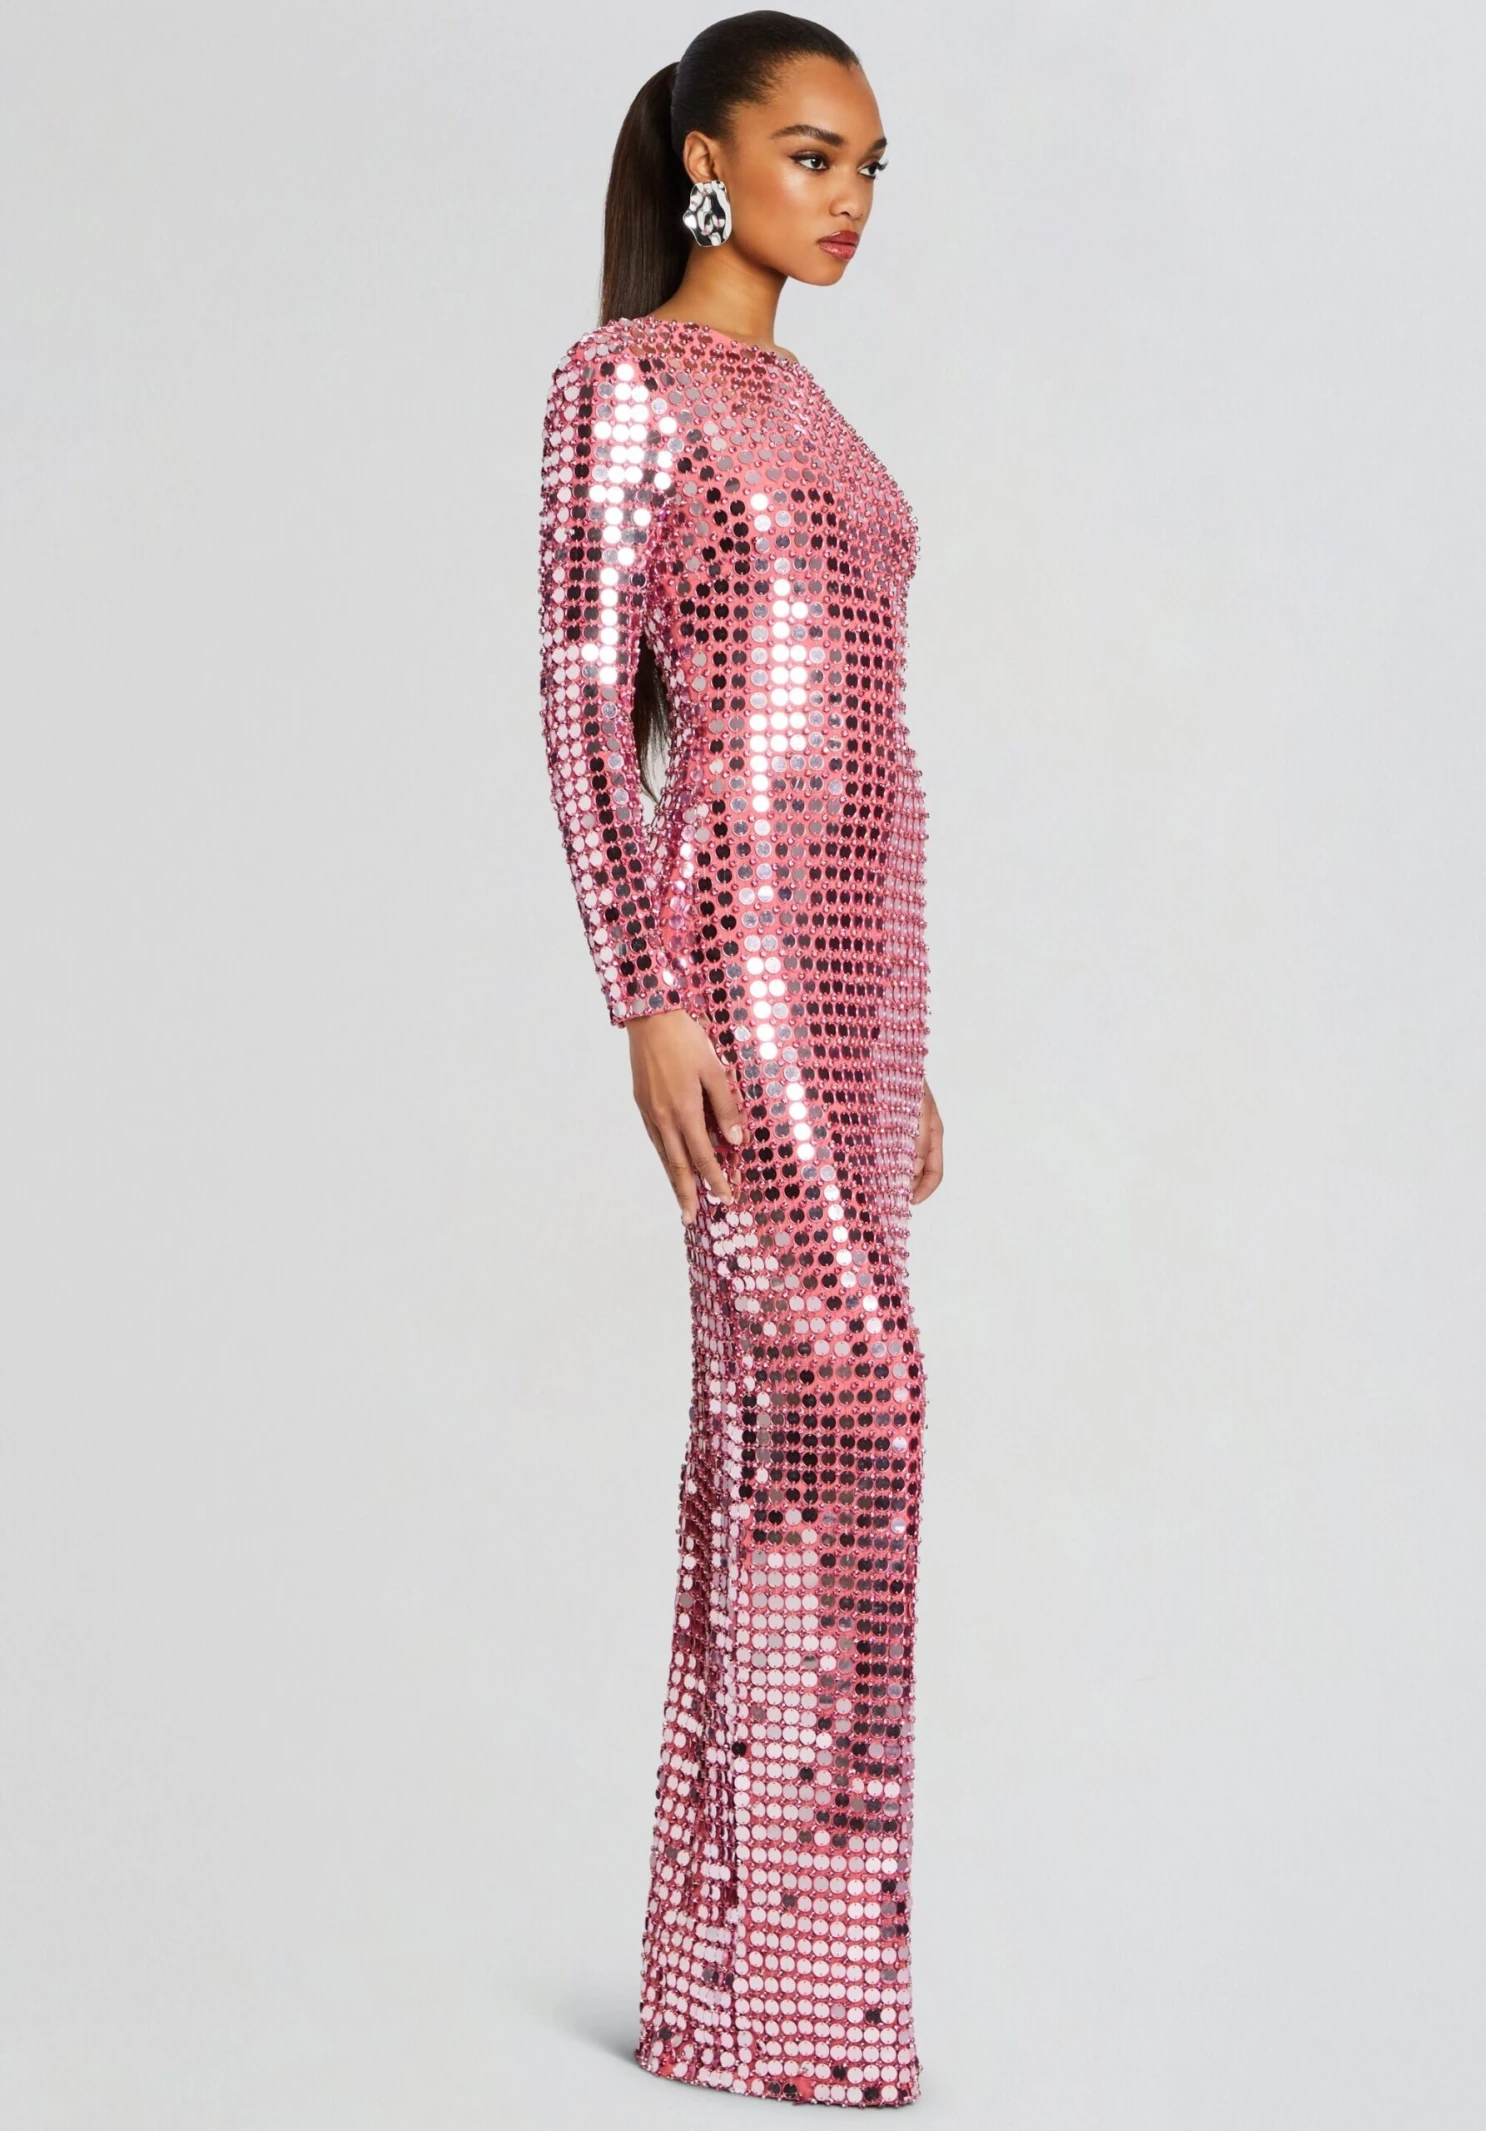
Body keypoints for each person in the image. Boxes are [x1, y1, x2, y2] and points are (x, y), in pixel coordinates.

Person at [535, 10, 943, 2107]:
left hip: (860, 993)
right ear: (708, 161)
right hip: (740, 959)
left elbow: (877, 740)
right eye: (810, 155)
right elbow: (580, 695)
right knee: (856, 1408)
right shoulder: (625, 384)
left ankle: (729, 1990)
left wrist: (912, 1039)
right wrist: (647, 991)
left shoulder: (825, 420)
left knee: (779, 1448)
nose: (847, 199)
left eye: (869, 166)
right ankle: (806, 1998)